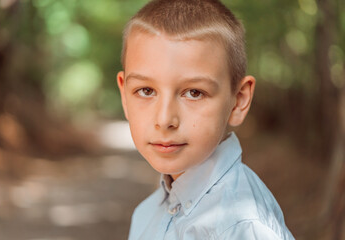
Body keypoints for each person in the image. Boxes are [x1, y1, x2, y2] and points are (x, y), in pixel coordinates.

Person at [116, 0, 295, 239]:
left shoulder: (241, 225)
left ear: (239, 100)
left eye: (194, 93)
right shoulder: (146, 213)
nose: (165, 119)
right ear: (124, 96)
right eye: (146, 91)